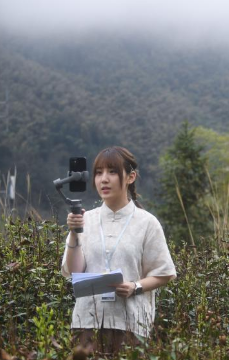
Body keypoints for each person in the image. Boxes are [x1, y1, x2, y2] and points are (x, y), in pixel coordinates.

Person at [61, 146, 176, 354]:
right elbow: (74, 271)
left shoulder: (147, 223)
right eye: (98, 173)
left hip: (130, 323)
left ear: (130, 177)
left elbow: (165, 272)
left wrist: (135, 286)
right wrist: (75, 233)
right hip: (87, 321)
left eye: (112, 172)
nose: (104, 179)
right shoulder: (86, 219)